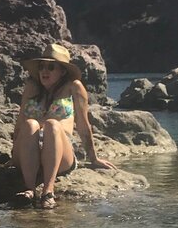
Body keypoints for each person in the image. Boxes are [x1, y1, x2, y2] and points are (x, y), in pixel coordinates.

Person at [12, 43, 115, 207]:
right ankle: (29, 189)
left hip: (59, 150)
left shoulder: (74, 87)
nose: (44, 71)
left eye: (51, 67)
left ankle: (48, 191)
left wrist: (93, 158)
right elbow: (20, 123)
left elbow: (83, 124)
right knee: (30, 123)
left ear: (63, 71)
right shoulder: (31, 87)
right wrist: (14, 153)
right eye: (42, 67)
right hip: (28, 151)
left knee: (53, 124)